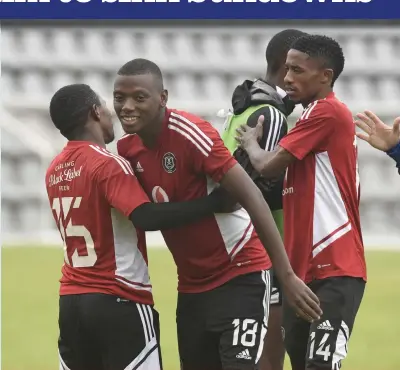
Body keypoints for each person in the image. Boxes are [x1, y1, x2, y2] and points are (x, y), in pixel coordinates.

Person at [114, 59, 321, 370]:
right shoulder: (128, 150)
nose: (127, 107)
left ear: (163, 98)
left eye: (139, 97)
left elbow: (250, 196)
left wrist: (287, 276)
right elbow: (147, 216)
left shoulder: (189, 133)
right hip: (191, 287)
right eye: (119, 98)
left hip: (240, 275)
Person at [46, 84, 240, 370]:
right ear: (95, 112)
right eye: (106, 107)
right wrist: (213, 203)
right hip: (118, 298)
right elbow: (145, 216)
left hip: (71, 301)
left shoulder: (54, 170)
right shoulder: (109, 163)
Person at [236, 35, 367, 370]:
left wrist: (251, 143)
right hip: (303, 271)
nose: (287, 78)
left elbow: (266, 165)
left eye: (297, 70)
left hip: (335, 267)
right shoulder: (312, 115)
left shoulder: (327, 112)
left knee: (321, 365)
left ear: (325, 76)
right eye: (287, 69)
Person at [221, 28, 307, 370]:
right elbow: (258, 187)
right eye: (301, 66)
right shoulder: (269, 114)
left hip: (234, 249)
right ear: (283, 64)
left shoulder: (247, 106)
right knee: (269, 360)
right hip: (262, 252)